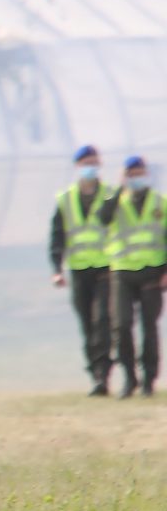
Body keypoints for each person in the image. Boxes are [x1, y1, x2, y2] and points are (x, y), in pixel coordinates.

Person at [51, 144, 115, 395]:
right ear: (78, 167)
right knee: (87, 324)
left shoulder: (111, 196)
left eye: (95, 162)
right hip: (79, 270)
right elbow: (57, 237)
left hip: (106, 268)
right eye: (87, 163)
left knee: (102, 321)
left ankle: (103, 375)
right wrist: (57, 269)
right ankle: (95, 373)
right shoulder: (65, 199)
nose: (91, 167)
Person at [106, 156, 165, 398]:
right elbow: (101, 218)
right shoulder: (116, 202)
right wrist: (119, 187)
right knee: (121, 325)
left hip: (152, 272)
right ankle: (129, 377)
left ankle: (149, 380)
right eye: (132, 174)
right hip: (122, 271)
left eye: (140, 173)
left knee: (149, 327)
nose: (137, 178)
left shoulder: (160, 203)